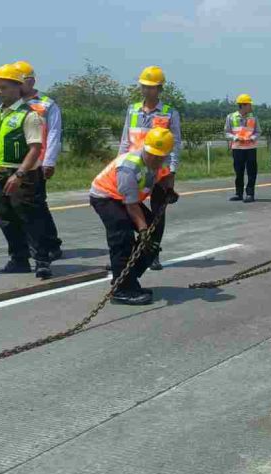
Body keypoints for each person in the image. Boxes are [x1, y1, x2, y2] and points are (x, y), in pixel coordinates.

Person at [0, 50, 64, 260]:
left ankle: (47, 248)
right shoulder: (2, 106)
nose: (1, 89)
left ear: (29, 81)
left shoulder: (45, 104)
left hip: (34, 164)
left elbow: (53, 134)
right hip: (9, 166)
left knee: (34, 209)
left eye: (19, 80)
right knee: (14, 212)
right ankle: (26, 253)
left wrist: (49, 161)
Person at [90, 127, 175, 306]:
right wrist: (142, 230)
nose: (155, 160)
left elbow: (163, 177)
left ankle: (128, 280)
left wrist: (169, 190)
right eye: (152, 155)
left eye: (160, 157)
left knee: (153, 236)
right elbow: (132, 207)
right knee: (122, 234)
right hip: (106, 196)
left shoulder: (162, 162)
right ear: (146, 147)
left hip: (128, 199)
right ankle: (121, 290)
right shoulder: (129, 167)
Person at [119, 66, 181, 271]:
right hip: (133, 169)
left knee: (157, 214)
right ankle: (133, 249)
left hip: (159, 172)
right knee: (131, 208)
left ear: (160, 88)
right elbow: (125, 140)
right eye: (144, 86)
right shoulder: (132, 109)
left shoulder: (169, 113)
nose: (147, 91)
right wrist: (119, 162)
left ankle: (152, 253)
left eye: (152, 87)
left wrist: (171, 171)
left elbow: (175, 144)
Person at [225, 93, 260, 202]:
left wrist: (252, 138)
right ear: (243, 105)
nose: (251, 107)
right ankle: (238, 193)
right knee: (238, 172)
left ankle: (250, 194)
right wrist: (235, 138)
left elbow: (258, 131)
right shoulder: (230, 117)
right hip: (237, 148)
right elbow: (226, 133)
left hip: (250, 148)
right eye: (249, 104)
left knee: (251, 172)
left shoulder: (253, 117)